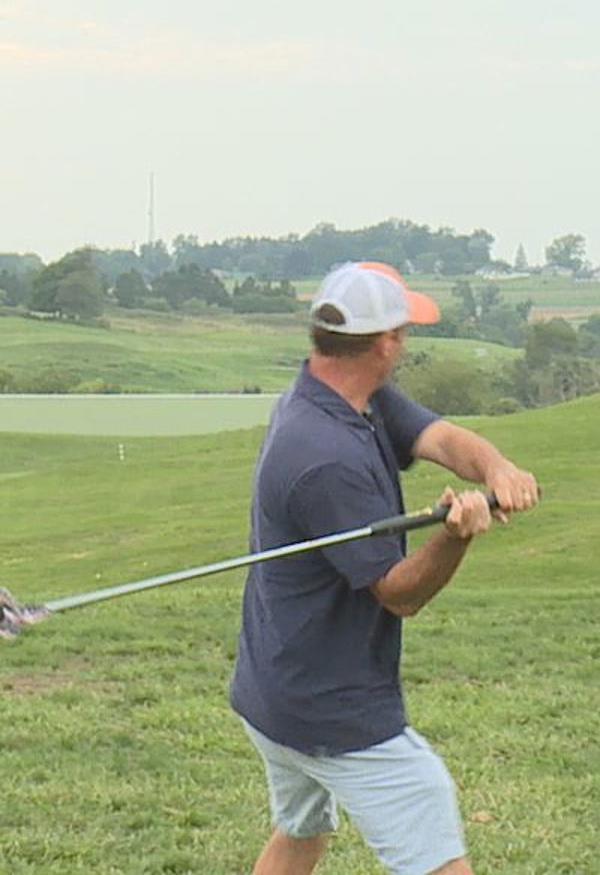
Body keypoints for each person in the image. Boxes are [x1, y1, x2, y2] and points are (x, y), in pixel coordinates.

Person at [231, 261, 540, 875]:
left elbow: (441, 438)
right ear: (384, 343)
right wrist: (455, 537)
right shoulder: (324, 456)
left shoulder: (347, 395)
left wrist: (494, 466)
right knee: (436, 855)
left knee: (300, 832)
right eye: (404, 331)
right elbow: (399, 593)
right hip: (331, 705)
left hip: (274, 686)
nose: (406, 342)